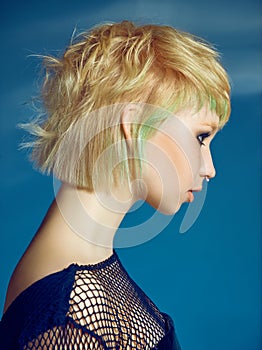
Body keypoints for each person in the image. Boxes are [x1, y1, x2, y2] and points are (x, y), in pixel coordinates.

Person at [0, 20, 230, 349]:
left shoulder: (88, 278)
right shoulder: (70, 312)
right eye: (200, 137)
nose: (209, 169)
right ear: (134, 124)